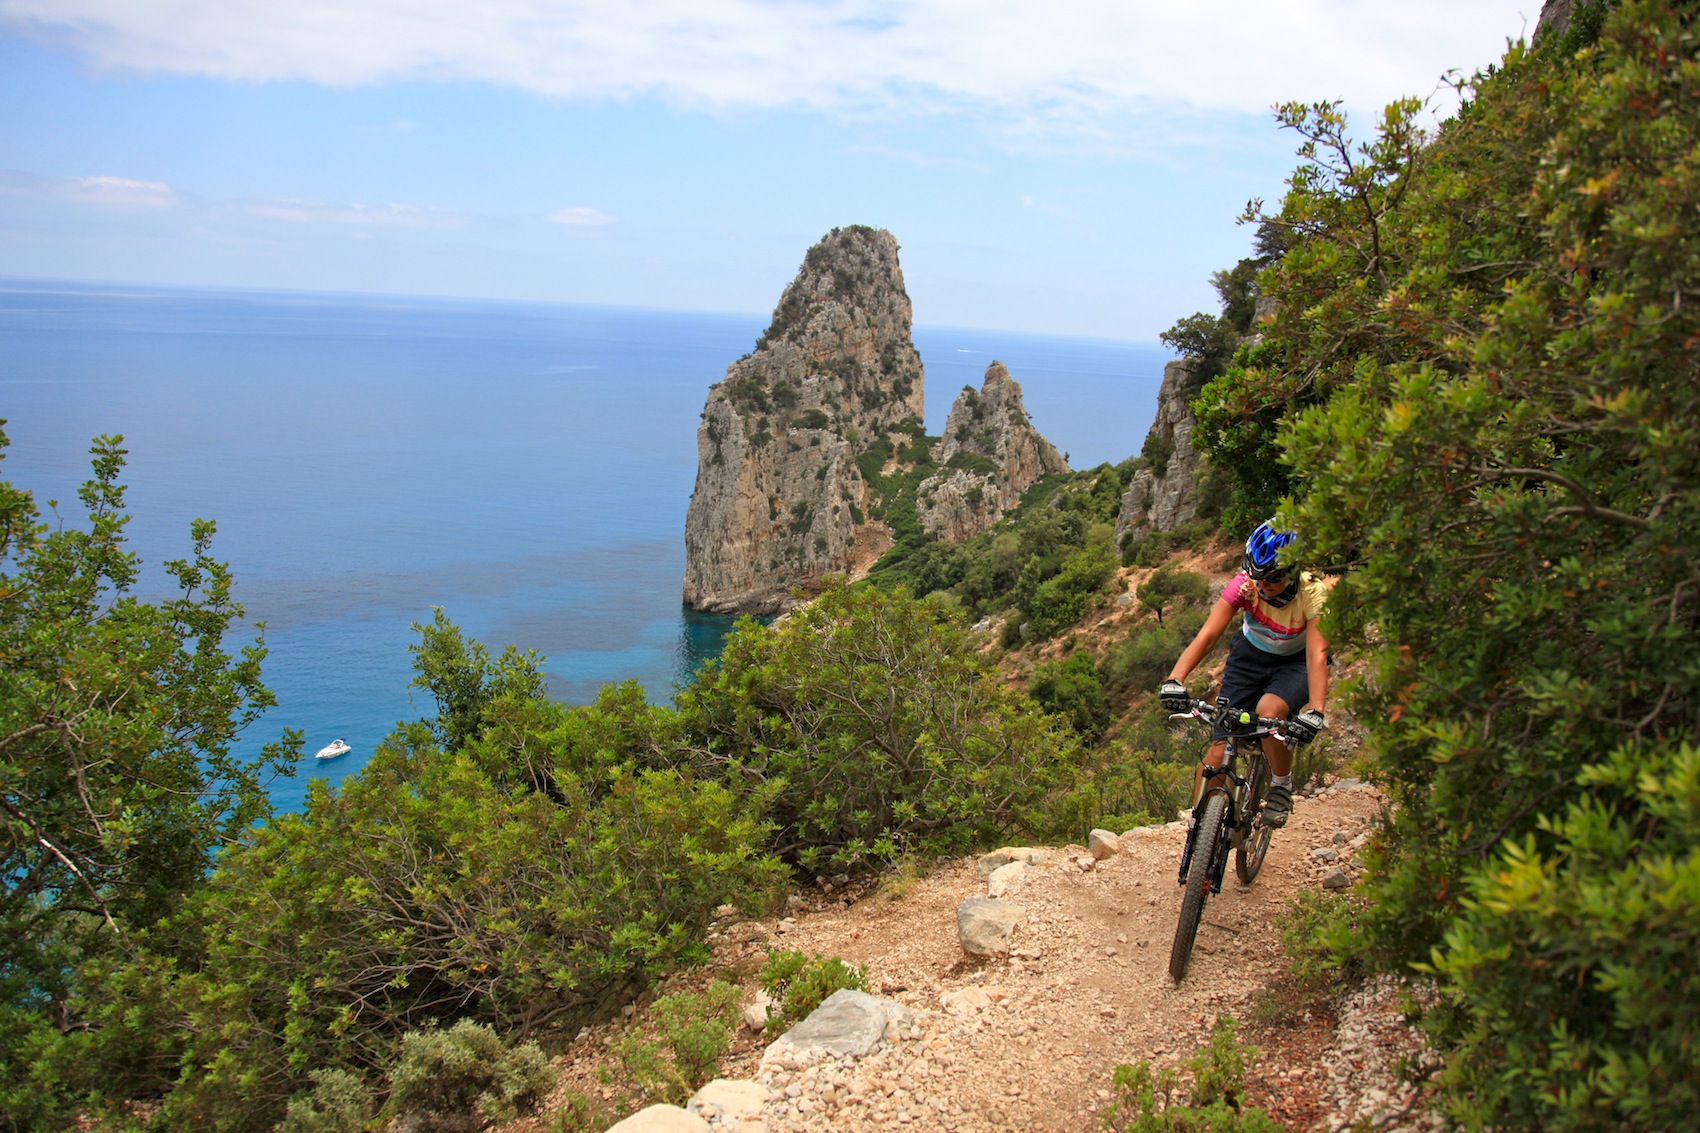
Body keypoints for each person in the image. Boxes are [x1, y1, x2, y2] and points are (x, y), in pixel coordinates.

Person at [1158, 519, 1329, 828]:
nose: (1263, 586)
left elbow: (1317, 653)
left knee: (1269, 712)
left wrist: (1316, 711)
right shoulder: (1245, 585)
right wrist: (1175, 680)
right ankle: (1199, 828)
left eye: (1273, 578)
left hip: (1296, 662)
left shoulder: (1312, 592)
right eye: (1258, 576)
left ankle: (1281, 785)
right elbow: (1207, 636)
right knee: (1218, 752)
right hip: (1249, 658)